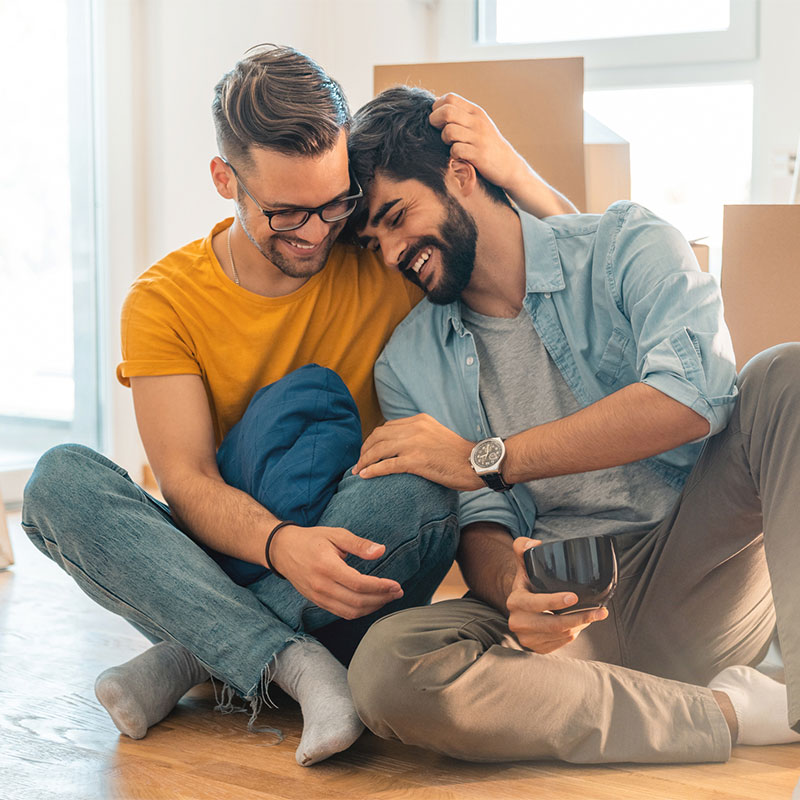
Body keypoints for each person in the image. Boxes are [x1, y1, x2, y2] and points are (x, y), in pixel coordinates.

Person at [19, 46, 573, 767]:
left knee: (418, 491)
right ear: (225, 180)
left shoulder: (378, 248)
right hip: (234, 554)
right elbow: (186, 484)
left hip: (357, 555)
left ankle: (195, 658)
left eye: (332, 202)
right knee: (59, 481)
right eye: (284, 213)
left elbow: (560, 278)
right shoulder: (164, 301)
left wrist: (515, 172)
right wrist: (283, 545)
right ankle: (296, 663)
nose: (315, 232)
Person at [345, 85, 800, 764]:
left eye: (396, 216)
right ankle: (731, 714)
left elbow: (693, 396)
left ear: (460, 174)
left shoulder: (626, 245)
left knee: (786, 377)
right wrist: (513, 592)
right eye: (373, 239)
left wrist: (486, 455)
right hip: (563, 615)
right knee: (386, 668)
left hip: (694, 570)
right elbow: (482, 520)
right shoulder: (407, 362)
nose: (389, 253)